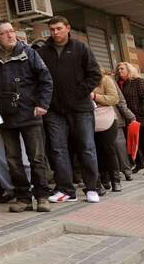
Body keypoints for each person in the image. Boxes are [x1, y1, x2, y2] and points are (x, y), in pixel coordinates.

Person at [0, 20, 53, 213]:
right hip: (5, 117)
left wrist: (42, 104)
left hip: (30, 113)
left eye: (11, 31)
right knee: (12, 159)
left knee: (36, 158)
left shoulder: (28, 53)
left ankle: (42, 197)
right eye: (4, 33)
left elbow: (46, 80)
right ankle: (23, 197)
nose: (10, 35)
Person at [36, 16, 102, 203]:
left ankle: (92, 188)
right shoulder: (42, 52)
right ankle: (66, 190)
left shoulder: (80, 48)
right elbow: (37, 79)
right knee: (58, 150)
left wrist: (77, 93)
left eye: (58, 28)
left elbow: (95, 74)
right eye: (52, 29)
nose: (55, 32)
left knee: (87, 148)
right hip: (55, 111)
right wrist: (45, 101)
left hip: (81, 108)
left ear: (67, 28)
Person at [116, 61, 144, 176]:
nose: (119, 71)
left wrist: (140, 113)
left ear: (129, 70)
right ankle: (139, 163)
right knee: (134, 143)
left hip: (142, 118)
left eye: (122, 69)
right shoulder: (120, 83)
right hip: (129, 119)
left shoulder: (139, 81)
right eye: (118, 69)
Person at [92, 69, 129, 193]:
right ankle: (104, 180)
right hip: (89, 119)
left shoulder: (105, 79)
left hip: (106, 118)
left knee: (109, 149)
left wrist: (95, 96)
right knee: (96, 151)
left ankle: (116, 181)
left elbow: (114, 99)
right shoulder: (81, 80)